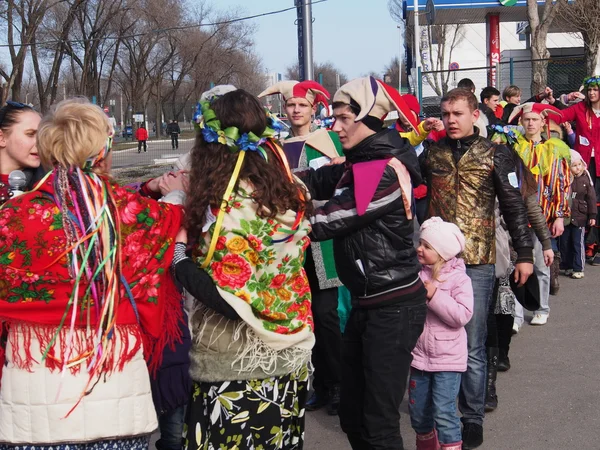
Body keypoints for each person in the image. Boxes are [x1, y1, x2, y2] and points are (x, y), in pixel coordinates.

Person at [0, 98, 184, 448]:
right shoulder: (135, 213)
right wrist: (175, 199)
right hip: (116, 394)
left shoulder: (11, 216)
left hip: (33, 404)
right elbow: (172, 227)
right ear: (102, 151)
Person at [172, 89, 314, 449]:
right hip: (290, 350)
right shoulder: (289, 187)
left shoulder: (231, 203)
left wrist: (178, 255)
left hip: (237, 365)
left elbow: (227, 295)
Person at [299, 76, 427, 450]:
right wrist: (263, 174)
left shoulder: (382, 168)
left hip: (393, 307)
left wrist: (264, 222)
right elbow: (312, 178)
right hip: (366, 303)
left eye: (343, 118)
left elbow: (329, 221)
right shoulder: (359, 161)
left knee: (378, 425)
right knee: (353, 418)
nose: (334, 127)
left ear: (370, 120)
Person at [420, 88, 534, 449]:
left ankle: (471, 416)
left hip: (478, 260)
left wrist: (525, 252)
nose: (451, 120)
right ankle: (437, 409)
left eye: (458, 113)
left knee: (472, 342)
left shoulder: (497, 154)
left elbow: (514, 206)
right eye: (446, 113)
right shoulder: (431, 154)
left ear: (474, 115)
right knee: (432, 337)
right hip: (436, 261)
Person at [258, 80, 345, 415]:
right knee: (300, 318)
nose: (295, 111)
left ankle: (336, 384)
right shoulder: (274, 147)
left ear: (313, 109)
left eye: (302, 106)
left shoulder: (329, 142)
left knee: (325, 315)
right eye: (291, 105)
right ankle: (315, 384)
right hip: (288, 240)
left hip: (321, 236)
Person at [409, 217, 473, 450]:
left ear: (443, 253)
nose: (420, 248)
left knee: (444, 413)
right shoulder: (417, 275)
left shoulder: (459, 279)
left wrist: (434, 295)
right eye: (421, 243)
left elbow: (462, 315)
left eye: (427, 246)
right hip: (419, 358)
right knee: (418, 415)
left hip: (447, 360)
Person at [503, 103, 570, 325]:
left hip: (543, 215)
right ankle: (516, 313)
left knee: (541, 265)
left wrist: (559, 215)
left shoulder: (554, 148)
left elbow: (562, 183)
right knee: (514, 264)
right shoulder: (513, 146)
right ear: (521, 122)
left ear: (543, 122)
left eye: (534, 119)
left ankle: (542, 307)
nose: (530, 123)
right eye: (526, 119)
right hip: (516, 216)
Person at [557, 75, 600, 265]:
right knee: (581, 202)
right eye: (589, 90)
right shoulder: (580, 108)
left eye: (595, 90)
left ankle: (594, 246)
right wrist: (558, 101)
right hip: (582, 164)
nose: (591, 93)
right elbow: (559, 116)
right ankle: (584, 247)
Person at [560, 150, 597, 278]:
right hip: (566, 216)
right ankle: (567, 265)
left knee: (577, 243)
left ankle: (578, 267)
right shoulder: (564, 179)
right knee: (564, 243)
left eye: (579, 164)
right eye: (574, 165)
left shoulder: (586, 179)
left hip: (580, 216)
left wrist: (592, 216)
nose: (577, 168)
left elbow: (591, 198)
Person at [0, 101, 43, 204]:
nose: (40, 143)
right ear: (2, 138)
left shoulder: (50, 184)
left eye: (42, 136)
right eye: (30, 134)